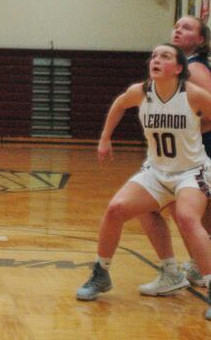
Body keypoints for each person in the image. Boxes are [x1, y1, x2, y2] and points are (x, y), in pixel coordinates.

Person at [75, 44, 211, 322]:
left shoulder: (193, 94)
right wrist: (105, 138)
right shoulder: (141, 91)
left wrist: (199, 128)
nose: (156, 60)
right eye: (153, 56)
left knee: (186, 218)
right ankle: (102, 274)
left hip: (191, 171)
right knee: (116, 209)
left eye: (165, 56)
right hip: (157, 172)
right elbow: (118, 104)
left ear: (178, 68)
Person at [138, 16, 211, 293]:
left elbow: (205, 110)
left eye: (187, 28)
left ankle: (194, 265)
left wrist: (185, 128)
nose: (178, 30)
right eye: (177, 26)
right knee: (184, 211)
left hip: (199, 148)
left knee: (179, 209)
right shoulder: (182, 71)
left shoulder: (195, 69)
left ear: (200, 40)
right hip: (185, 150)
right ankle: (195, 265)